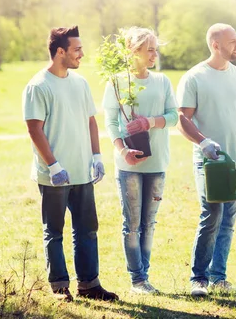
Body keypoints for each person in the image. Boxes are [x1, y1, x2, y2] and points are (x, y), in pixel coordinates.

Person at [22, 26, 118, 302]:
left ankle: (89, 284)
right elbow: (34, 130)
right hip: (54, 175)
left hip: (82, 172)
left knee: (87, 229)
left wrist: (97, 156)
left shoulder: (80, 83)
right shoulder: (38, 86)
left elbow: (91, 120)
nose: (82, 54)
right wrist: (53, 166)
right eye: (77, 49)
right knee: (54, 231)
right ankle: (59, 287)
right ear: (60, 51)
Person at [176, 23, 236, 297]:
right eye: (232, 42)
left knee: (228, 218)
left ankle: (218, 277)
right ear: (215, 45)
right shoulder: (194, 77)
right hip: (211, 161)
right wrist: (203, 142)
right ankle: (199, 278)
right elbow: (182, 119)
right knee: (212, 215)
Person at [102, 27, 178, 294]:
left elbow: (173, 117)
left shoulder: (162, 82)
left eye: (156, 49)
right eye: (149, 50)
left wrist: (150, 122)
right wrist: (123, 151)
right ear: (133, 52)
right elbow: (110, 122)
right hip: (128, 165)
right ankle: (137, 280)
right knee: (132, 223)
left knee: (149, 222)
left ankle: (143, 276)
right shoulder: (116, 81)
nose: (154, 54)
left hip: (157, 164)